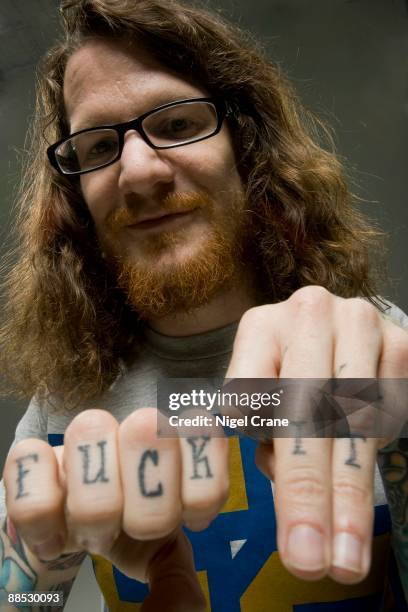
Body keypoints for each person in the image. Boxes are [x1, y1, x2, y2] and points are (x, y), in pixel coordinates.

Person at [0, 0, 407, 610]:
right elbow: (23, 606)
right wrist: (39, 567)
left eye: (177, 124)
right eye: (98, 144)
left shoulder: (375, 354)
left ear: (246, 147)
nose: (137, 171)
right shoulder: (63, 409)